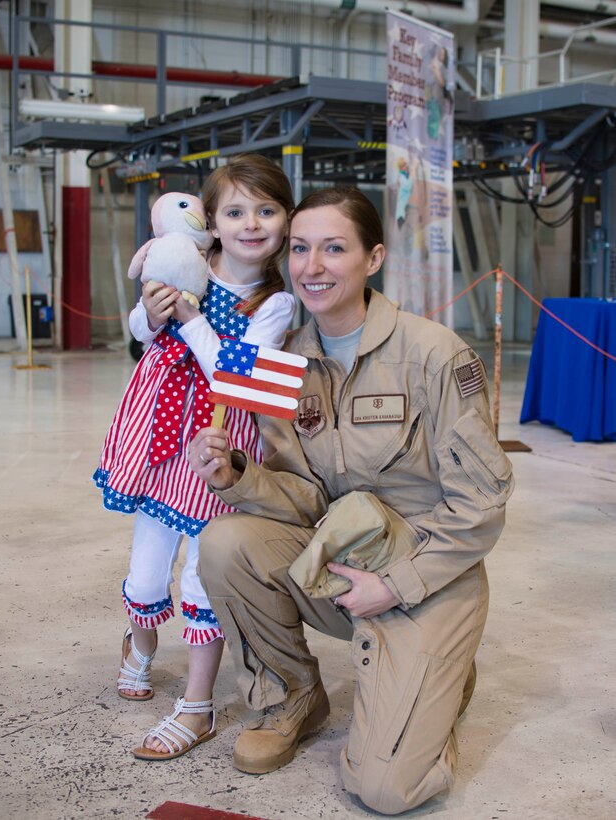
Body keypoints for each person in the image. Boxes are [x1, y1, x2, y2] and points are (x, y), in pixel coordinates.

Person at [188, 186, 514, 813]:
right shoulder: (285, 363)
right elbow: (306, 498)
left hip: (427, 577)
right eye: (303, 249)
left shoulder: (431, 353)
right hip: (340, 564)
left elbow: (481, 503)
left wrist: (397, 585)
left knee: (386, 791)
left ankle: (441, 677)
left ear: (374, 258)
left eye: (335, 249)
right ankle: (292, 698)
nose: (313, 267)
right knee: (228, 541)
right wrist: (236, 475)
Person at [93, 153, 295, 760]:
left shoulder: (276, 302)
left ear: (286, 219)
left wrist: (189, 318)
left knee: (202, 581)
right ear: (211, 221)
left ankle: (198, 704)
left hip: (218, 446)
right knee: (148, 573)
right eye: (235, 211)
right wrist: (152, 318)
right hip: (158, 432)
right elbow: (139, 329)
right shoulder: (182, 259)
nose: (251, 223)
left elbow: (234, 374)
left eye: (267, 210)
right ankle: (143, 645)